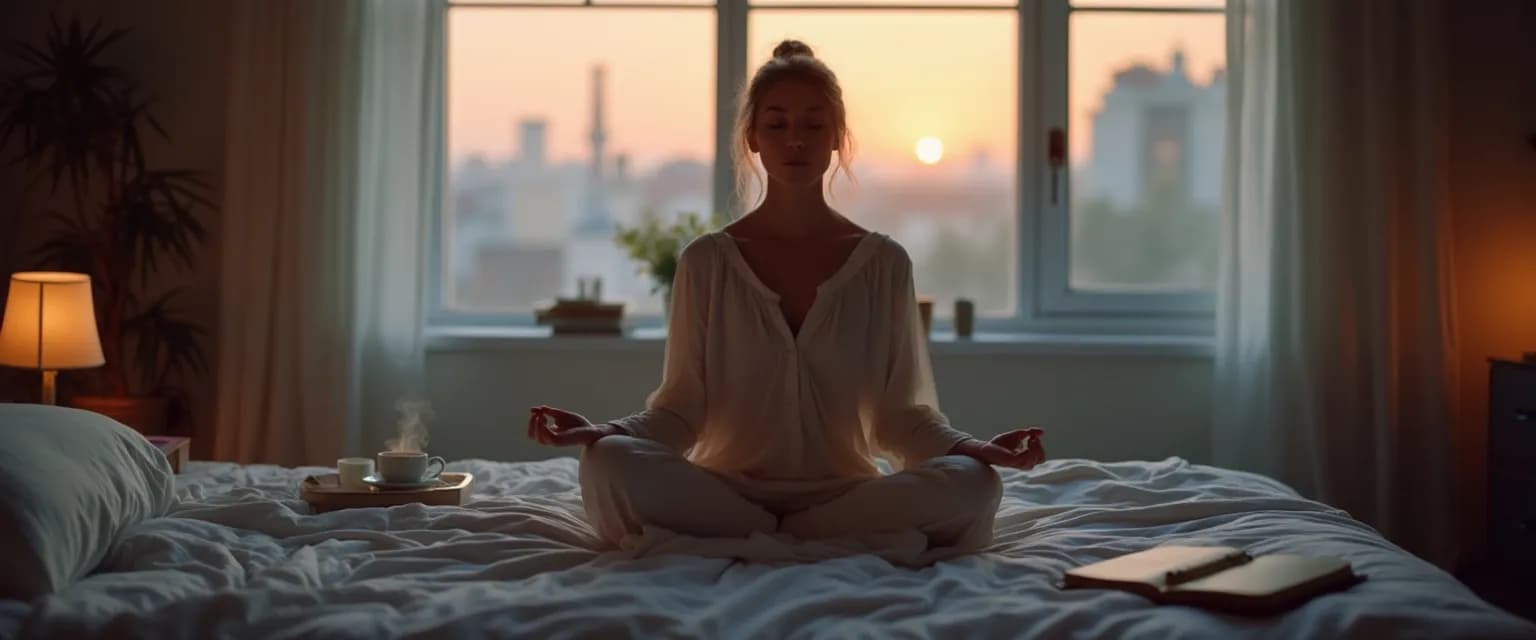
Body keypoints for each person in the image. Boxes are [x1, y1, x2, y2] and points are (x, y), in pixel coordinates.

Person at [527, 39, 1045, 552]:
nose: (795, 139)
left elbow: (901, 419)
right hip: (723, 492)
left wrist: (974, 449)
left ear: (838, 136)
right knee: (608, 461)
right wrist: (602, 431)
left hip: (844, 496)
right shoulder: (706, 262)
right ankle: (792, 536)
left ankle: (781, 537)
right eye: (777, 124)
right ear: (753, 137)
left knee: (974, 483)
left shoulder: (884, 264)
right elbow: (681, 410)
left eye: (813, 124)